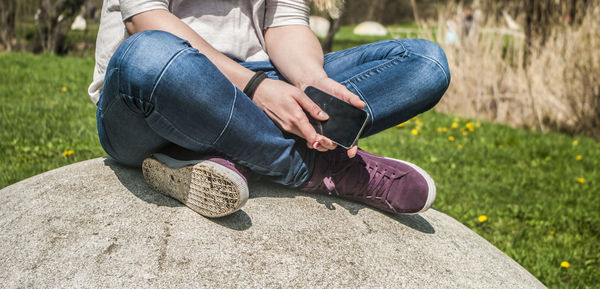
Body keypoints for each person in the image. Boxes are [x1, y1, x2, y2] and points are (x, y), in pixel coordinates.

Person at [89, 0, 450, 218]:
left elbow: (285, 23)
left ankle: (234, 147)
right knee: (149, 56)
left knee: (424, 63)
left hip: (264, 76)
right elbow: (144, 18)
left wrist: (311, 82)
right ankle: (314, 167)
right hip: (160, 86)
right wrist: (255, 88)